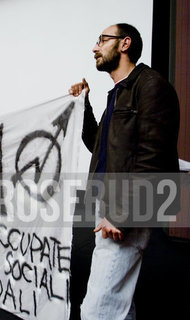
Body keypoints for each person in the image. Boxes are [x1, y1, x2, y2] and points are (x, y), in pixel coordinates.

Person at [69, 23, 179, 320]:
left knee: (98, 310)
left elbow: (152, 157)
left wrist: (122, 213)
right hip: (108, 205)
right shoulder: (118, 94)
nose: (95, 47)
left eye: (102, 40)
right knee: (117, 305)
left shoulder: (150, 86)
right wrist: (83, 105)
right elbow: (99, 144)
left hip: (126, 208)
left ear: (124, 44)